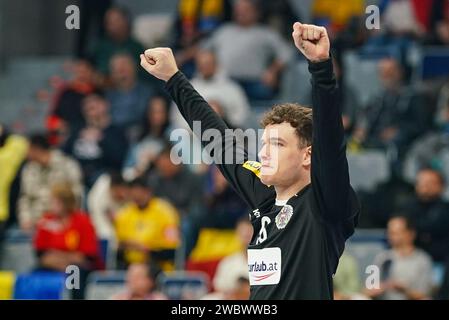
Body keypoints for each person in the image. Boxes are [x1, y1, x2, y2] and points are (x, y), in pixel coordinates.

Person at [140, 22, 360, 299]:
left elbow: (330, 144)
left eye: (278, 144)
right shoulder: (264, 194)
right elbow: (219, 141)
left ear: (308, 156)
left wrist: (320, 67)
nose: (264, 153)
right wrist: (173, 77)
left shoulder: (325, 201)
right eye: (264, 143)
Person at [33, 183, 99, 299]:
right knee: (32, 276)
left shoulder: (83, 221)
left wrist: (57, 256)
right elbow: (42, 254)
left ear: (65, 203)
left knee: (75, 274)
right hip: (50, 266)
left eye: (55, 202)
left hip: (78, 267)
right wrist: (66, 258)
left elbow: (86, 256)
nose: (51, 205)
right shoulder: (46, 221)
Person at [18, 134, 83, 232]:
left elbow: (77, 194)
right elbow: (25, 197)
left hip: (63, 224)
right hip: (36, 224)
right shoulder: (28, 170)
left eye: (28, 149)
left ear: (36, 149)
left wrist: (70, 221)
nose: (25, 153)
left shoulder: (67, 165)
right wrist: (25, 219)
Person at [114, 177, 180, 270]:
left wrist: (148, 250)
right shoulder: (124, 214)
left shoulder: (166, 212)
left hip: (158, 265)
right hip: (130, 266)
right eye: (134, 197)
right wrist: (129, 245)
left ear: (148, 192)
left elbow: (172, 249)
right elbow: (119, 246)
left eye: (140, 196)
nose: (137, 199)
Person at [364, 215, 434, 300]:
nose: (391, 236)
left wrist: (404, 290)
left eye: (396, 233)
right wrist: (383, 287)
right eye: (389, 232)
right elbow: (367, 291)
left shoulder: (423, 260)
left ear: (411, 234)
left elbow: (424, 295)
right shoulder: (382, 258)